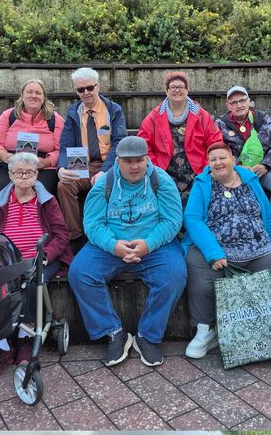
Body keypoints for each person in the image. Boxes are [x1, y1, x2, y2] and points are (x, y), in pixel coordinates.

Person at [182, 143, 271, 362]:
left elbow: (265, 214)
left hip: (256, 246)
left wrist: (270, 241)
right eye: (212, 159)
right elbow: (192, 219)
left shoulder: (250, 179)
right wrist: (213, 252)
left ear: (234, 159)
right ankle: (205, 331)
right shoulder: (203, 183)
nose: (218, 163)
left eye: (222, 158)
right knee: (196, 264)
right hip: (217, 248)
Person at [68, 136, 186, 368]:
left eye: (139, 160)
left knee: (174, 275)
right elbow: (92, 224)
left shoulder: (161, 181)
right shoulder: (105, 184)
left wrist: (148, 244)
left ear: (147, 159)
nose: (134, 166)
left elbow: (172, 221)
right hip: (111, 244)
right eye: (128, 161)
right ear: (118, 161)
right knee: (80, 273)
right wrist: (115, 246)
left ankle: (148, 337)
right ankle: (113, 332)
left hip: (154, 245)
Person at [0, 152, 73, 379]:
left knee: (30, 282)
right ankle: (1, 348)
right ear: (10, 174)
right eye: (19, 172)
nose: (24, 176)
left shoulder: (47, 201)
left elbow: (61, 234)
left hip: (40, 258)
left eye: (29, 172)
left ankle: (25, 338)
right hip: (6, 261)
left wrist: (46, 254)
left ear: (37, 174)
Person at [57, 67, 127, 252]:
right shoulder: (73, 112)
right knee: (64, 185)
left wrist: (105, 171)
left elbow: (119, 144)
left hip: (108, 165)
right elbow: (65, 146)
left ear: (98, 87)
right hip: (82, 165)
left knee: (110, 185)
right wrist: (62, 168)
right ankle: (75, 238)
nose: (86, 93)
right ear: (76, 91)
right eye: (81, 89)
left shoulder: (113, 110)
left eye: (89, 88)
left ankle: (110, 235)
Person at [137, 71, 221, 205]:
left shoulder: (202, 115)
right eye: (173, 87)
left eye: (181, 87)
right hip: (165, 174)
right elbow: (143, 145)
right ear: (166, 91)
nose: (177, 90)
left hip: (197, 172)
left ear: (187, 90)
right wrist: (155, 169)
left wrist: (207, 169)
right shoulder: (154, 117)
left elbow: (215, 142)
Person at [216, 85, 271, 231]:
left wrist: (266, 165)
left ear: (249, 101)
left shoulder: (262, 119)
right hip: (235, 171)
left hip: (262, 169)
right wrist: (236, 166)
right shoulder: (221, 124)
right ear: (228, 106)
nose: (239, 105)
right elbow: (219, 151)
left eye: (242, 100)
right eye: (234, 102)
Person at [0, 79, 64, 200]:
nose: (33, 96)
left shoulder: (54, 119)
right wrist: (4, 156)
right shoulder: (9, 115)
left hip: (41, 166)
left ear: (44, 98)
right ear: (22, 96)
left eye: (38, 93)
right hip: (10, 163)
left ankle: (34, 219)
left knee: (40, 189)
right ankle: (3, 219)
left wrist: (46, 162)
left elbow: (62, 150)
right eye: (29, 92)